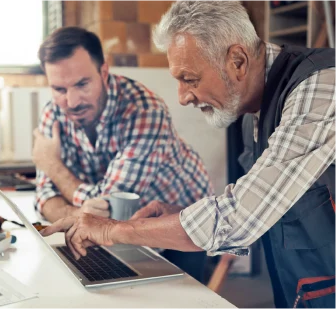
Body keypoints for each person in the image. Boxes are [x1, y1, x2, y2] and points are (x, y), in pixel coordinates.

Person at [40, 1, 336, 308]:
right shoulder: (253, 107)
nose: (181, 98)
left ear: (237, 61)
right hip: (301, 289)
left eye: (190, 79)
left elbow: (239, 218)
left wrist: (113, 229)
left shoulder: (320, 89)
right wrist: (178, 213)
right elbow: (267, 208)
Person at [32, 26, 213, 282]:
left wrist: (52, 164)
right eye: (59, 89)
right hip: (118, 233)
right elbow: (45, 197)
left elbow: (110, 209)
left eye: (82, 84)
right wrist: (79, 214)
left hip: (178, 221)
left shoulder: (144, 111)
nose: (72, 102)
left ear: (103, 72)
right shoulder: (54, 113)